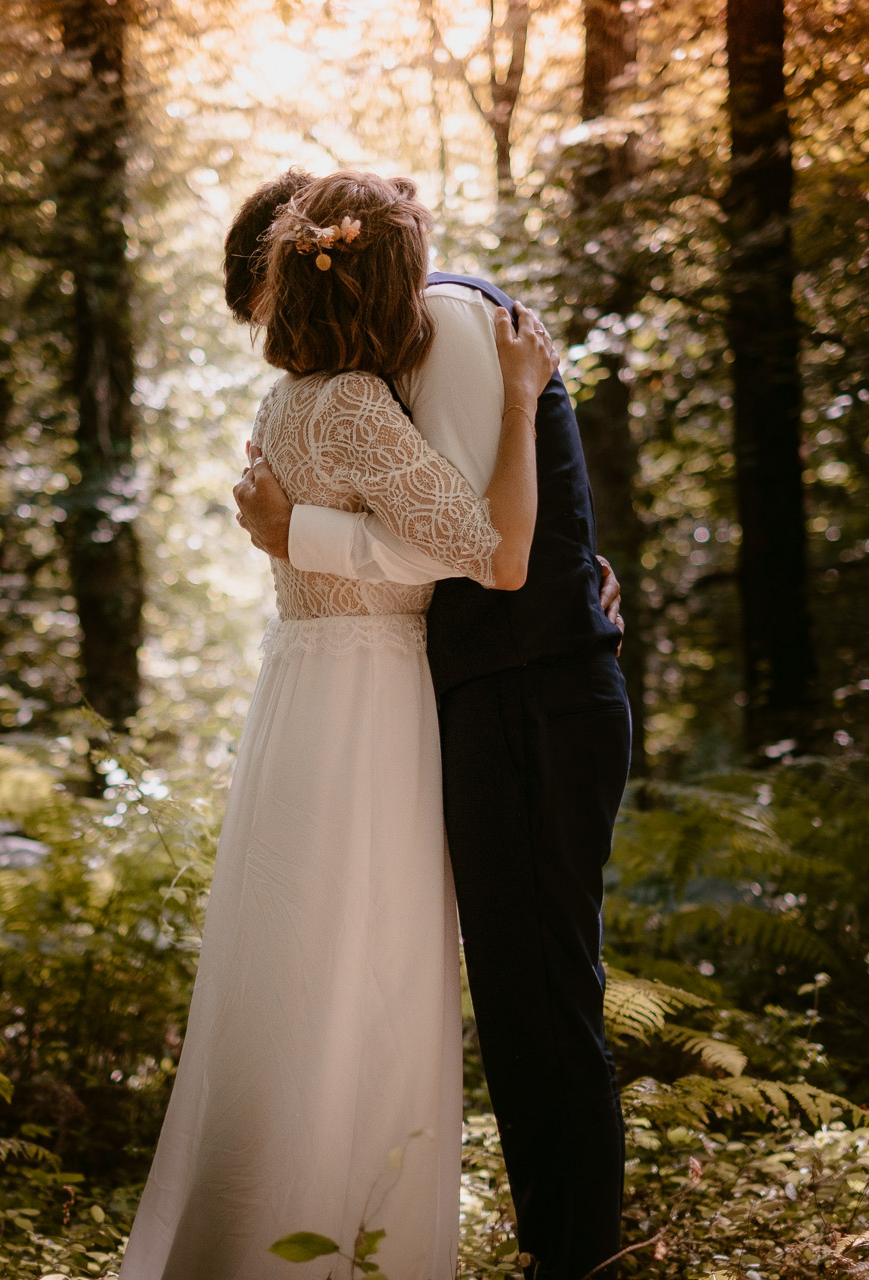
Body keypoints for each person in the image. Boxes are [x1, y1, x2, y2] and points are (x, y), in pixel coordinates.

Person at [119, 170, 561, 1280]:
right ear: (392, 284)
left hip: (302, 690)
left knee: (289, 960)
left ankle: (260, 1226)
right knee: (367, 971)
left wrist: (295, 534)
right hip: (370, 705)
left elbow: (373, 536)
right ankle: (339, 1243)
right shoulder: (360, 409)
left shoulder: (283, 405)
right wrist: (520, 395)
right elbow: (495, 554)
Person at [229, 170, 632, 1280]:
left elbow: (485, 550)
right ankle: (553, 1238)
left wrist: (298, 532)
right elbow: (482, 525)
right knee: (510, 988)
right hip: (482, 694)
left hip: (536, 694)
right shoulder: (367, 371)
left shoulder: (450, 323)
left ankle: (578, 1251)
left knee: (542, 984)